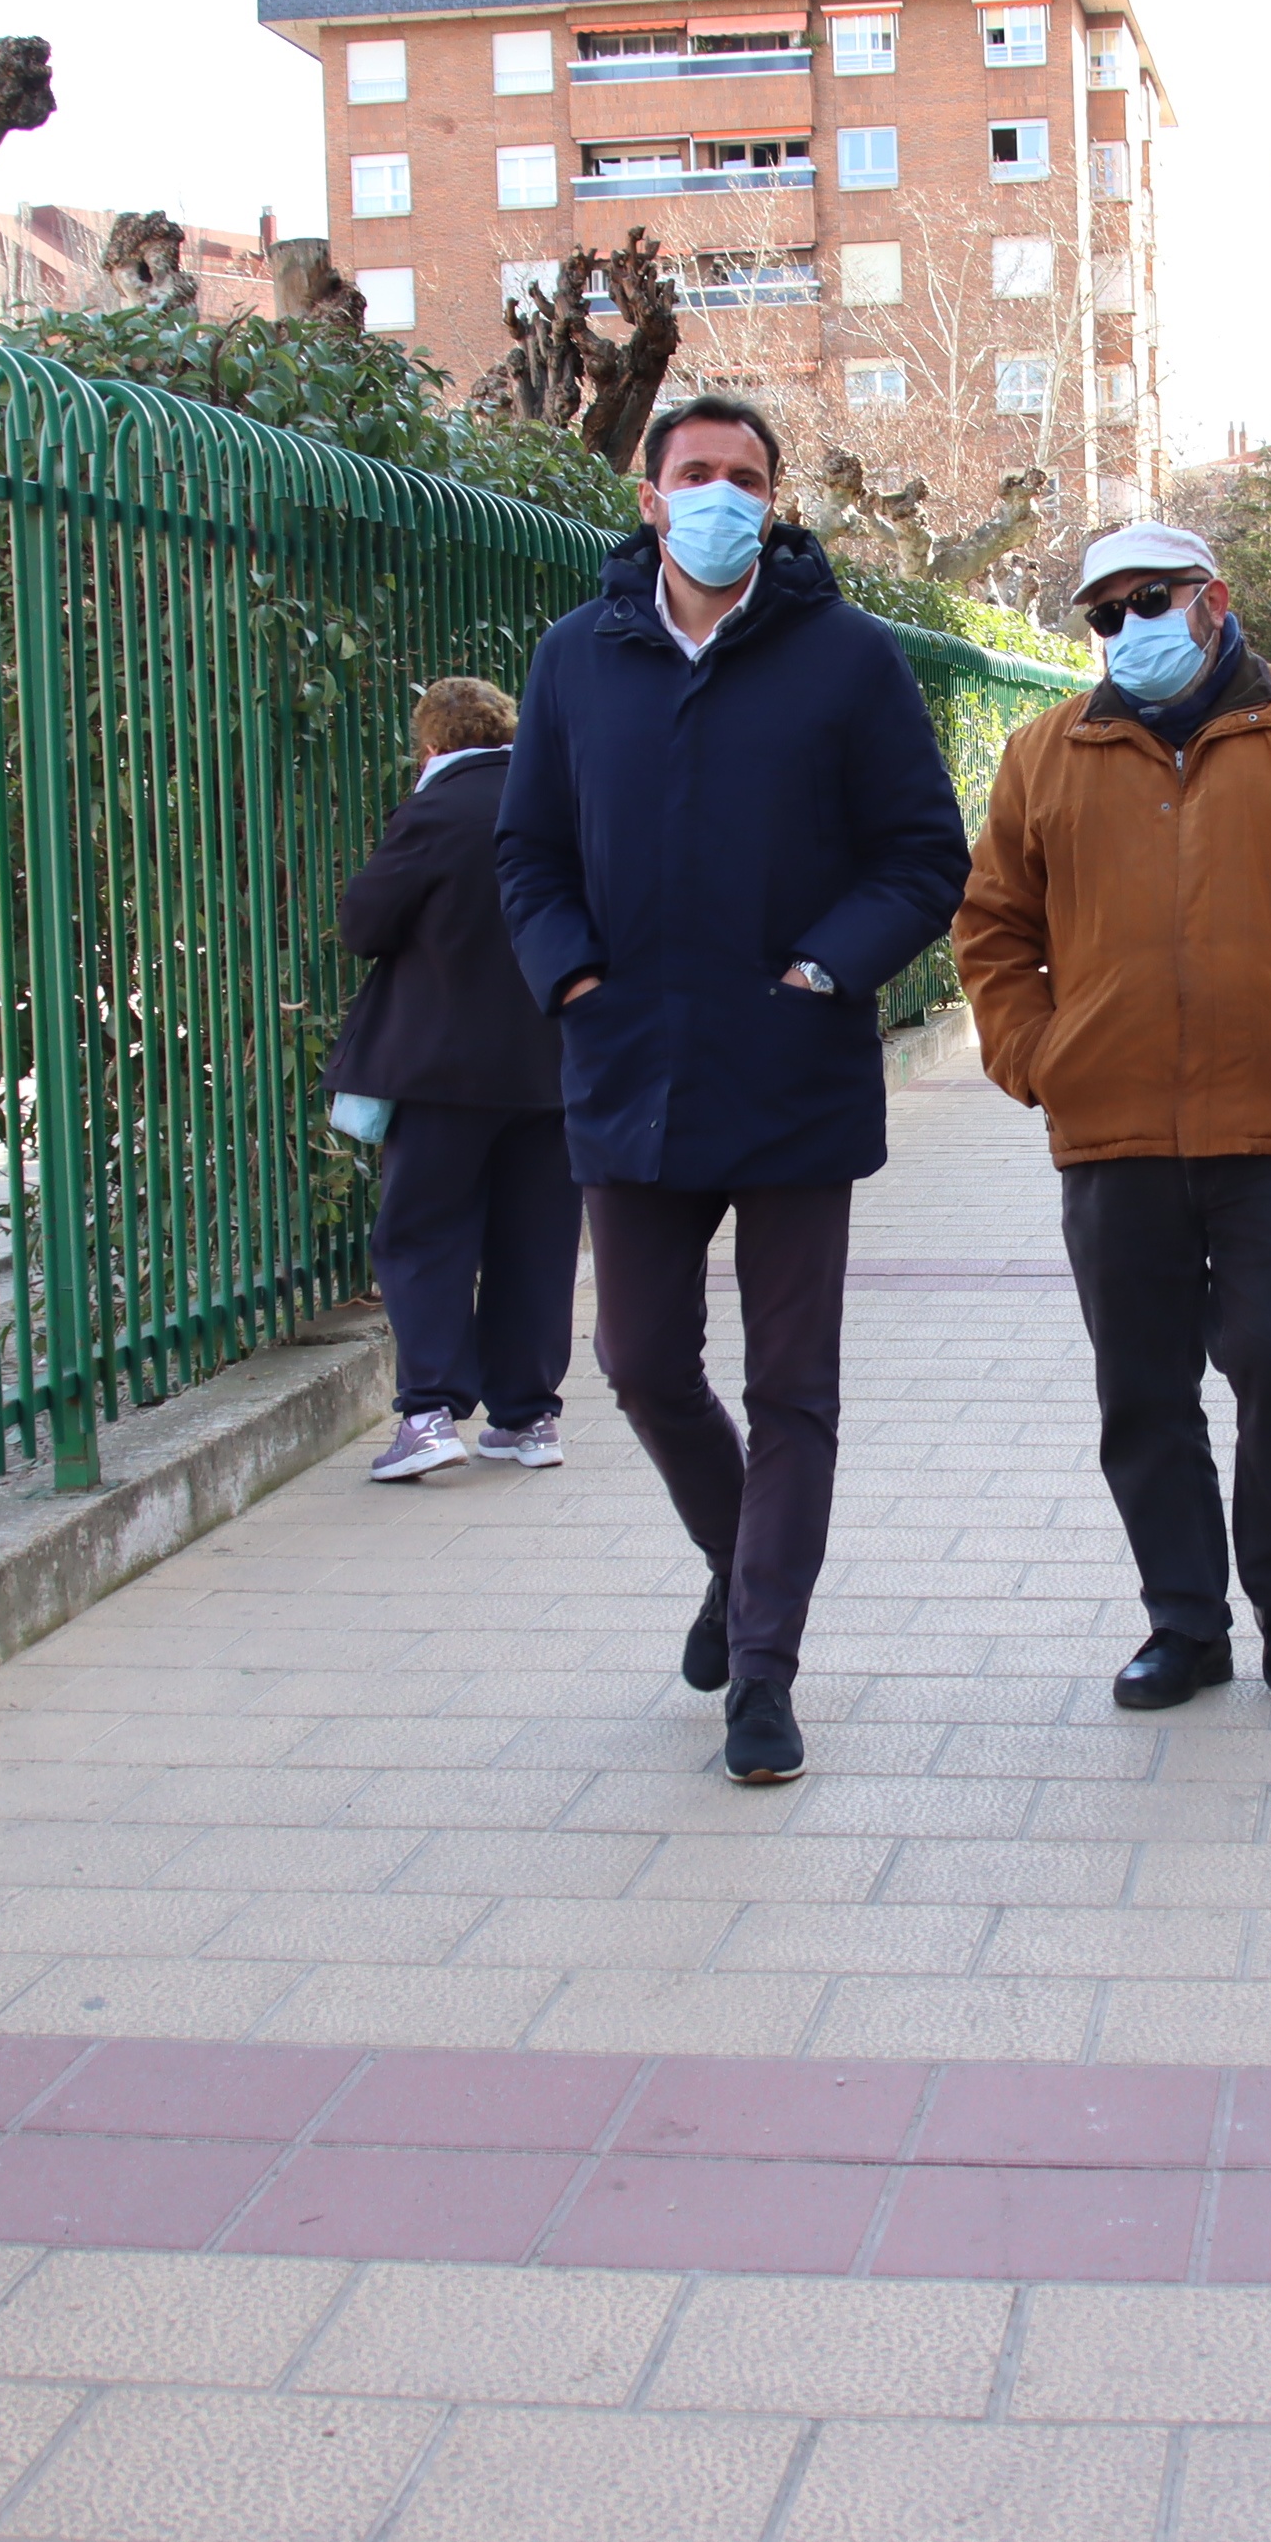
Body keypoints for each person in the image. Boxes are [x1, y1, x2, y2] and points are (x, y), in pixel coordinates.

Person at [494, 395, 973, 1788]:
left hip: (790, 1072)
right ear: (650, 497)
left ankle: (764, 1667)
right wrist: (574, 978)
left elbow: (921, 853)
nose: (720, 494)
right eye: (695, 472)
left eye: (746, 476)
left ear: (776, 500)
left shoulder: (849, 657)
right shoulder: (576, 658)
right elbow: (528, 853)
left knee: (792, 1387)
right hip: (628, 1069)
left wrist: (825, 970)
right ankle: (738, 1558)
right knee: (640, 1363)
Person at [955, 521, 1271, 1710]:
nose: (1127, 627)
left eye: (1148, 600)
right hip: (1111, 1127)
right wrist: (1037, 1056)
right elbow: (994, 922)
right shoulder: (1045, 750)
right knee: (1142, 1390)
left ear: (1212, 597)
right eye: (1105, 613)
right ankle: (1184, 1621)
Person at [326, 673, 577, 1482]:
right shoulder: (562, 802)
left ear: (430, 744)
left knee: (424, 1233)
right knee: (535, 1239)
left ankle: (429, 1414)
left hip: (442, 1072)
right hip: (552, 1067)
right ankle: (528, 1416)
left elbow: (363, 923)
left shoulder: (437, 810)